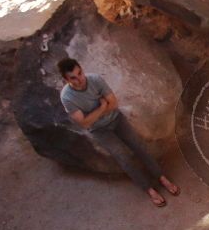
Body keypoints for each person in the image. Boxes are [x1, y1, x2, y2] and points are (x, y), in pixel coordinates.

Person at [57, 58, 180, 207]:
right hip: (99, 130)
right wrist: (102, 107)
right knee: (123, 157)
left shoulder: (95, 79)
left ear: (82, 69)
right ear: (65, 80)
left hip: (116, 119)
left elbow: (114, 104)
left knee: (138, 146)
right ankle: (149, 189)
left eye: (80, 73)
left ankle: (161, 177)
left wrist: (93, 114)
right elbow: (84, 123)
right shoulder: (67, 97)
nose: (79, 79)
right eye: (73, 78)